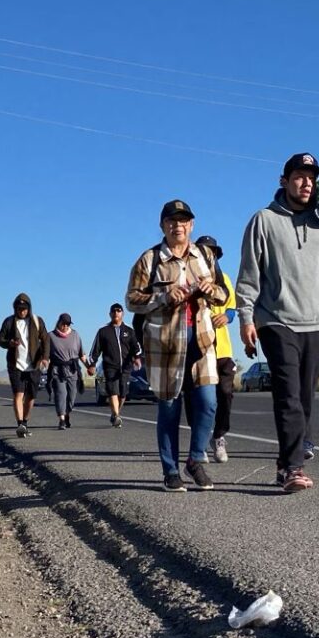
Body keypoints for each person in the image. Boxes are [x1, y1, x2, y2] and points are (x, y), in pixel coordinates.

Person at [235, 153, 319, 493]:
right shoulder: (264, 221)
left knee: (305, 397)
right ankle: (294, 468)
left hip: (316, 322)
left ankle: (285, 463)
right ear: (284, 181)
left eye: (311, 177)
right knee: (288, 394)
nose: (306, 183)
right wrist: (246, 317)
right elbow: (248, 275)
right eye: (299, 176)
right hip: (275, 320)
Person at [127, 199, 228, 492]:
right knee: (169, 408)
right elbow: (132, 300)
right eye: (171, 221)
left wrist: (212, 290)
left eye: (183, 221)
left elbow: (223, 293)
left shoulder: (205, 255)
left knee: (208, 403)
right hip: (166, 344)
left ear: (191, 225)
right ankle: (170, 471)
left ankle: (195, 460)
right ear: (162, 225)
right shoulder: (149, 260)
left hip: (201, 340)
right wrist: (163, 297)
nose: (177, 226)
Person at [193, 235, 236, 463]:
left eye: (213, 253)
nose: (209, 256)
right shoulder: (190, 277)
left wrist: (226, 317)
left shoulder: (224, 279)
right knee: (199, 398)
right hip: (199, 348)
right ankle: (198, 442)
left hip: (222, 349)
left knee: (225, 394)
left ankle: (219, 436)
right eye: (204, 252)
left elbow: (232, 308)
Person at [0, 293, 50, 438]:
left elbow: (46, 339)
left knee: (31, 396)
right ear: (15, 308)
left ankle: (25, 422)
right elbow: (0, 340)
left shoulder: (37, 321)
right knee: (18, 393)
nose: (22, 311)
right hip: (15, 364)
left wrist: (45, 357)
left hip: (34, 364)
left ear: (29, 308)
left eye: (24, 309)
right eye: (19, 309)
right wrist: (10, 343)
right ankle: (20, 424)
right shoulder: (9, 322)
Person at [87, 303, 141, 427]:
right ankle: (116, 416)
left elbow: (136, 347)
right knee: (112, 391)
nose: (116, 313)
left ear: (123, 313)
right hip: (110, 366)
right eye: (114, 311)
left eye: (118, 311)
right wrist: (92, 364)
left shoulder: (129, 331)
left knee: (123, 393)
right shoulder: (103, 331)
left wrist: (137, 358)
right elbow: (95, 350)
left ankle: (116, 413)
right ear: (110, 314)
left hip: (125, 367)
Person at [47, 313, 87, 430]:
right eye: (63, 323)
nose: (65, 326)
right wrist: (42, 364)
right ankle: (62, 419)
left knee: (71, 397)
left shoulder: (75, 335)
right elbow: (45, 355)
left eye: (68, 324)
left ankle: (67, 413)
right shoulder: (50, 336)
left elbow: (81, 354)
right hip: (57, 370)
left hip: (72, 370)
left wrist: (89, 366)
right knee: (61, 394)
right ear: (58, 322)